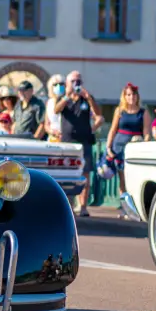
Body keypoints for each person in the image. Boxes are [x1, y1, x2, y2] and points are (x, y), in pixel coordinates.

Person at [54, 71, 103, 216]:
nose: (77, 83)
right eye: (73, 81)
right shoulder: (64, 99)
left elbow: (98, 113)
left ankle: (83, 206)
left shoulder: (86, 99)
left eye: (79, 81)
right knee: (66, 174)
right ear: (68, 83)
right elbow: (56, 110)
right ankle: (68, 205)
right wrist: (67, 97)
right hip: (67, 143)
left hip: (84, 142)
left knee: (85, 174)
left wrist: (88, 97)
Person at [105, 82, 151, 209]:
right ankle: (125, 207)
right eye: (129, 94)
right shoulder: (120, 111)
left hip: (134, 147)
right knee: (123, 179)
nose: (132, 97)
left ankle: (135, 207)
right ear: (124, 96)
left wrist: (144, 145)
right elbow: (113, 130)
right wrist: (108, 147)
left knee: (133, 179)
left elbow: (147, 132)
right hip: (119, 147)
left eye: (134, 94)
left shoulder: (143, 112)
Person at [43, 74, 65, 142]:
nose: (58, 86)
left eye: (61, 84)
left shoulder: (67, 101)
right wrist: (53, 132)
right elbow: (46, 125)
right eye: (55, 85)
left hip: (66, 137)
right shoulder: (49, 102)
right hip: (53, 138)